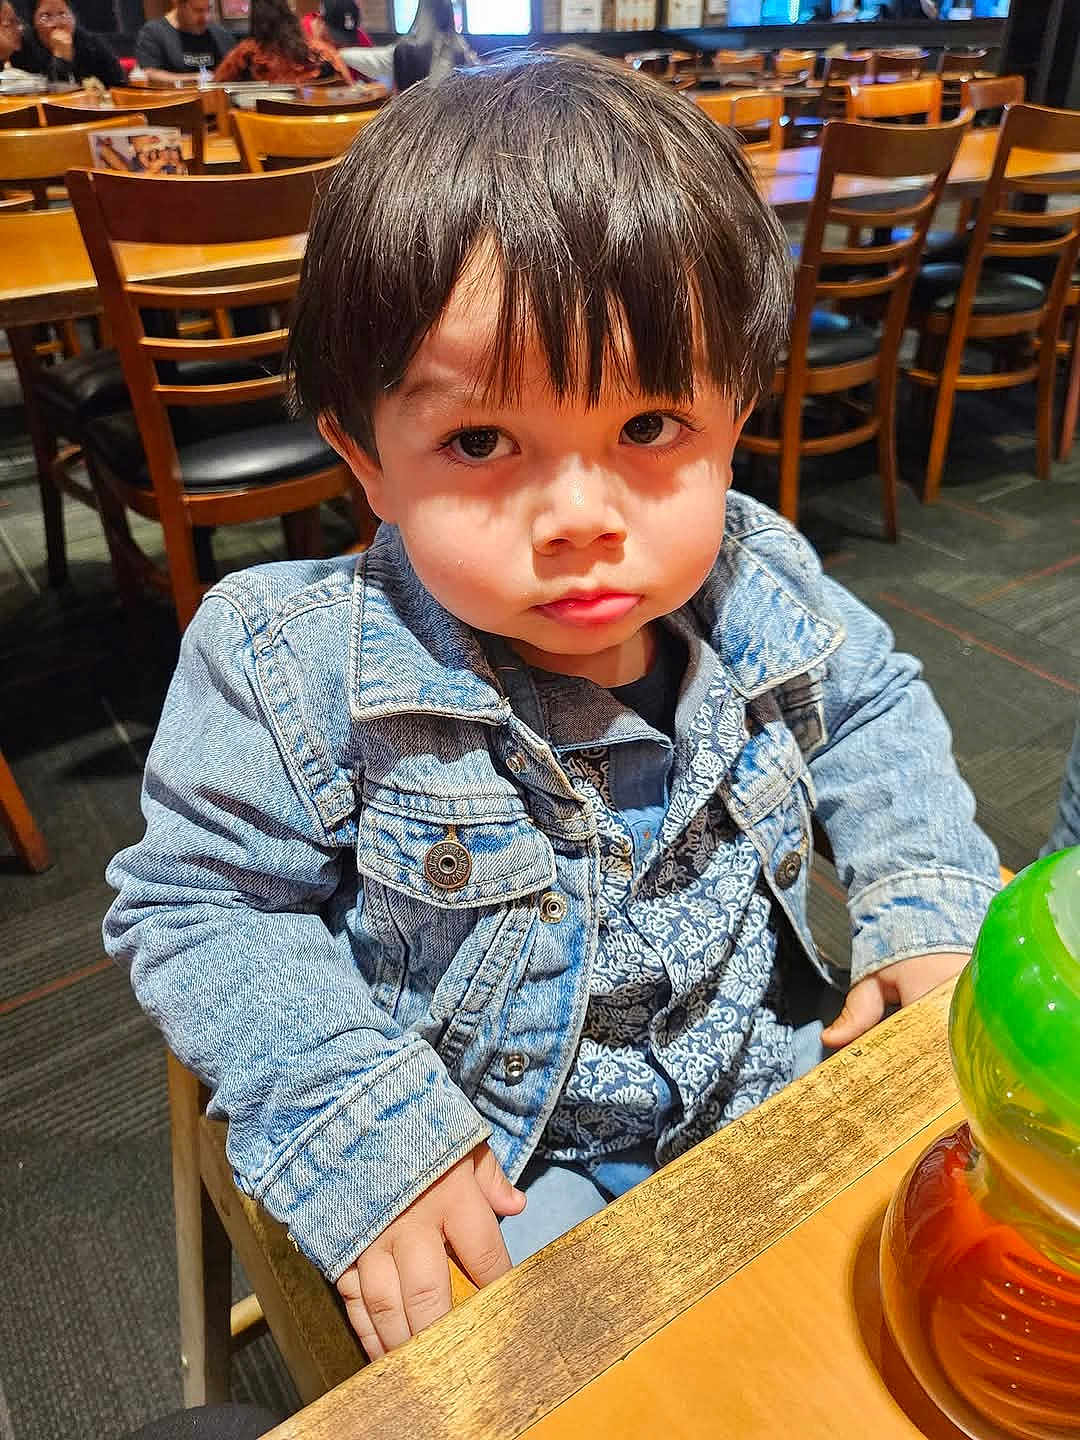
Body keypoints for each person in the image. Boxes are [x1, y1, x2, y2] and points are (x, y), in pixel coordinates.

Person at [103, 52, 1001, 1363]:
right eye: (481, 443)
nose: (582, 518)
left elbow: (870, 713)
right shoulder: (292, 663)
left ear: (735, 414)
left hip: (759, 1081)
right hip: (504, 1161)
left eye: (652, 426)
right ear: (366, 458)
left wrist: (922, 902)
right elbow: (201, 908)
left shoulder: (759, 580)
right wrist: (361, 1120)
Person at [213, 0, 350, 84]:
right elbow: (348, 86)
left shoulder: (245, 54)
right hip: (319, 121)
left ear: (254, 19)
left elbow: (215, 87)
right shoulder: (320, 51)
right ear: (290, 14)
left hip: (260, 122)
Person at [5, 0, 125, 85]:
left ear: (74, 18)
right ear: (33, 22)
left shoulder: (92, 45)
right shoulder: (22, 48)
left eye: (63, 14)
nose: (57, 23)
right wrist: (61, 57)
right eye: (45, 16)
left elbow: (120, 84)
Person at [134, 0, 235, 83]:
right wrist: (195, 78)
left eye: (209, 9)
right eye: (198, 10)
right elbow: (150, 73)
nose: (206, 18)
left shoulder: (220, 35)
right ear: (178, 4)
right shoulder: (153, 33)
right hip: (176, 99)